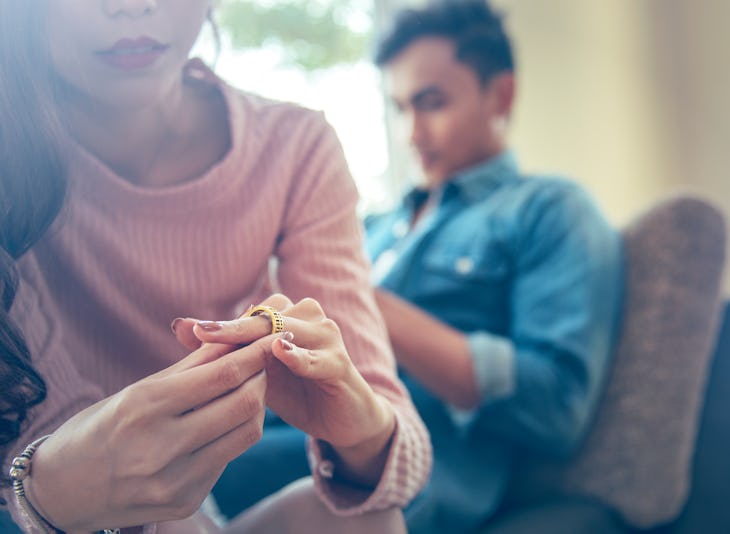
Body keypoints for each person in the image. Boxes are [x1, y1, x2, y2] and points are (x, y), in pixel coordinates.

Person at [0, 1, 431, 533]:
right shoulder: (12, 163)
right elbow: (29, 459)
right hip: (49, 513)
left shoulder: (294, 146)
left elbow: (398, 454)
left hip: (189, 505)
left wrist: (359, 430)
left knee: (368, 523)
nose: (133, 7)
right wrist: (47, 495)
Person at [365, 1, 625, 532]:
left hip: (402, 467)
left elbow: (556, 404)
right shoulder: (373, 227)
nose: (411, 133)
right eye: (398, 108)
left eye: (431, 103)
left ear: (501, 94)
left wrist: (357, 297)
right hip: (288, 425)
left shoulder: (548, 209)